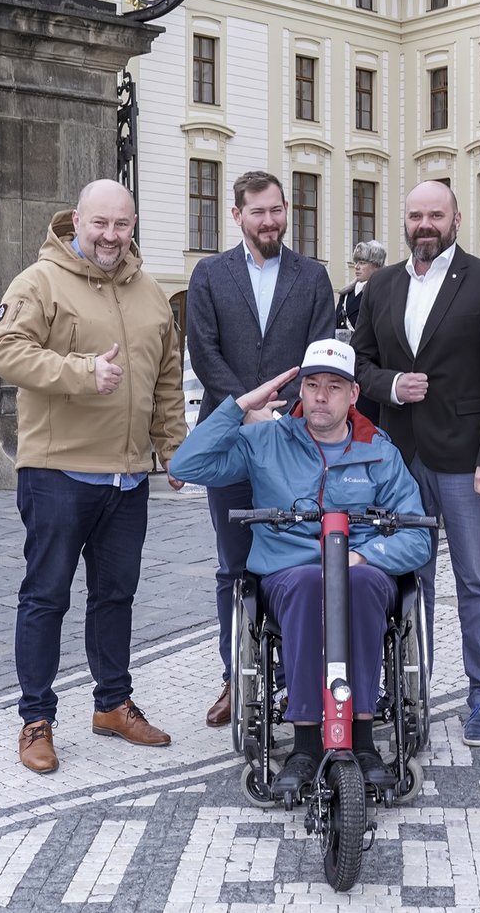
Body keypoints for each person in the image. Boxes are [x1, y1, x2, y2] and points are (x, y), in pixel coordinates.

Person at [169, 338, 430, 798]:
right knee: (312, 583)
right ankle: (308, 741)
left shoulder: (379, 451)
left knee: (364, 581)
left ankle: (364, 738)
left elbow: (417, 536)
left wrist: (366, 556)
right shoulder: (266, 440)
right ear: (300, 392)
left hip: (360, 571)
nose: (321, 396)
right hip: (290, 574)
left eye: (334, 386)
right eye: (312, 386)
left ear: (353, 394)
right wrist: (239, 406)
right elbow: (186, 464)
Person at [0, 180, 185, 774]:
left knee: (116, 597)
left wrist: (172, 450)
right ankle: (36, 718)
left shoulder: (150, 293)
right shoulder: (39, 281)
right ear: (77, 220)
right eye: (100, 224)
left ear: (132, 227)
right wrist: (78, 371)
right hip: (58, 473)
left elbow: (167, 379)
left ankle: (112, 704)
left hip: (127, 479)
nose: (110, 236)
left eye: (121, 225)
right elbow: (4, 349)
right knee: (46, 597)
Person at [351, 181, 480, 747]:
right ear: (404, 221)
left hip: (465, 461)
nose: (425, 224)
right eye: (415, 215)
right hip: (399, 462)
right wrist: (391, 386)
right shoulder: (380, 286)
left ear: (456, 218)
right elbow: (358, 361)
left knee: (476, 580)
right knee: (407, 579)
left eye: (436, 215)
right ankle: (411, 693)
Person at [185, 170, 334, 728]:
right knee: (233, 565)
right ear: (237, 215)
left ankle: (297, 672)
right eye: (258, 212)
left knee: (297, 558)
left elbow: (319, 351)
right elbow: (204, 352)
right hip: (229, 440)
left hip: (296, 441)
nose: (269, 220)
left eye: (277, 210)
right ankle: (237, 677)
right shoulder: (209, 275)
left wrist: (280, 409)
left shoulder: (313, 276)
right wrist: (246, 407)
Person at [335, 241, 387, 422]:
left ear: (377, 265)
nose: (356, 267)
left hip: (368, 364)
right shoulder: (346, 294)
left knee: (367, 416)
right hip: (345, 361)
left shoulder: (384, 294)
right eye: (356, 262)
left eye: (363, 262)